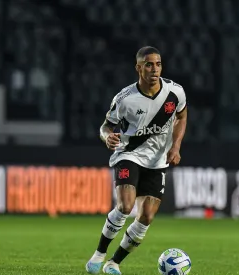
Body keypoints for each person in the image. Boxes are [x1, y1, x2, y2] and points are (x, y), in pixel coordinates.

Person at [85, 46, 188, 275]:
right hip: (128, 154)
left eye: (158, 64)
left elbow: (181, 115)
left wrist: (176, 145)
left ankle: (114, 263)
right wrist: (107, 137)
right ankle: (99, 253)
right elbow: (106, 126)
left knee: (146, 217)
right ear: (138, 68)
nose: (155, 69)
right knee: (125, 206)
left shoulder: (175, 92)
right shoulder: (125, 99)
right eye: (149, 64)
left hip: (158, 161)